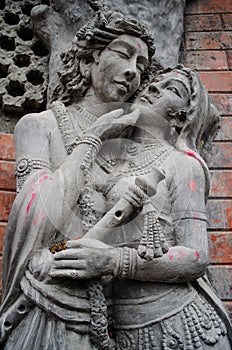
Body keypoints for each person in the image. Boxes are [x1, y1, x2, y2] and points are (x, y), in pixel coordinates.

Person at [0, 3, 155, 349]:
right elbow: (37, 224)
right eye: (123, 55)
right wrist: (94, 136)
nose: (133, 72)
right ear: (88, 62)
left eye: (141, 65)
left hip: (123, 314)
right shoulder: (41, 126)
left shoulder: (133, 145)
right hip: (49, 310)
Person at [50, 65, 232, 349]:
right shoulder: (110, 158)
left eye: (172, 89)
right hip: (120, 326)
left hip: (176, 322)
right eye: (155, 82)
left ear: (182, 117)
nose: (154, 88)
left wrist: (113, 261)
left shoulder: (183, 164)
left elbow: (195, 255)